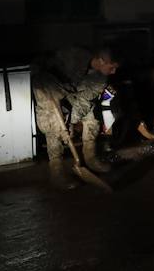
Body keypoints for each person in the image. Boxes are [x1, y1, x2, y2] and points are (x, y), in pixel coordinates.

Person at [31, 45, 121, 189]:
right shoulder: (71, 56)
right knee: (55, 122)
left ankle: (90, 158)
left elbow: (85, 101)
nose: (114, 71)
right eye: (112, 67)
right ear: (101, 61)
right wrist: (64, 120)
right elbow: (42, 64)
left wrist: (72, 120)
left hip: (73, 93)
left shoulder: (100, 79)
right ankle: (56, 170)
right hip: (49, 85)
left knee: (92, 116)